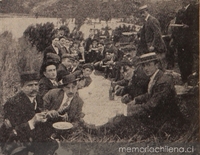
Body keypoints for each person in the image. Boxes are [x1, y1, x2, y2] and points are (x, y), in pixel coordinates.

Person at [0, 72, 58, 155]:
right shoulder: (12, 103)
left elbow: (38, 113)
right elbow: (14, 131)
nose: (34, 88)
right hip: (13, 141)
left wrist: (47, 114)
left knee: (53, 145)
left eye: (36, 84)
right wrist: (33, 121)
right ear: (22, 87)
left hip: (30, 136)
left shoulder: (38, 98)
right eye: (30, 85)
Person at [126, 52, 183, 135]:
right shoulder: (155, 77)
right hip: (160, 116)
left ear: (156, 65)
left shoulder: (163, 81)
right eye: (144, 65)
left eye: (149, 65)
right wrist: (136, 100)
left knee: (129, 125)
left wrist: (133, 110)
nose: (146, 68)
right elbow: (151, 94)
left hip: (167, 121)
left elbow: (153, 105)